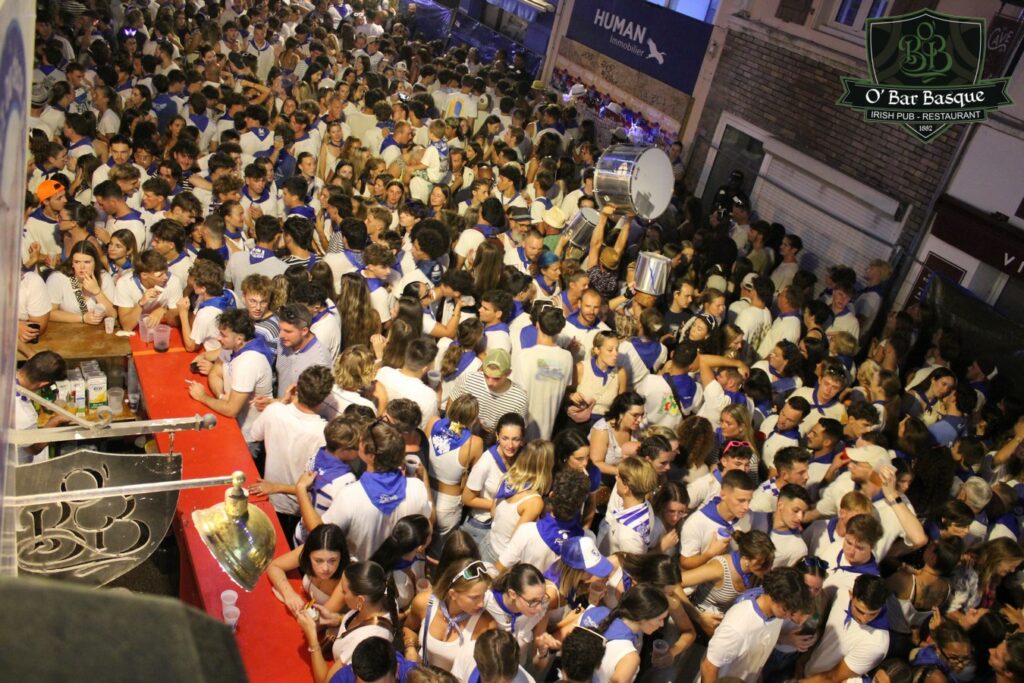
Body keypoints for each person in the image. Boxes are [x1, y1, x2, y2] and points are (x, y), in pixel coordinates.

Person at [309, 419, 432, 561]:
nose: (359, 441)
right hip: (401, 570)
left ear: (371, 456)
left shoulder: (350, 496)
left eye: (362, 440)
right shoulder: (418, 488)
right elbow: (429, 522)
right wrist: (425, 479)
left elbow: (322, 537)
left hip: (362, 571)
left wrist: (301, 492)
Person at [250, 365, 333, 541]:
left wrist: (282, 401)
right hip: (300, 505)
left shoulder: (275, 410)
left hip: (270, 495)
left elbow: (255, 434)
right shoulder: (323, 433)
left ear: (296, 387)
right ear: (324, 397)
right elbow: (319, 479)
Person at [701, 567, 812, 682]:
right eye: (786, 609)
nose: (789, 616)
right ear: (774, 596)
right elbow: (708, 667)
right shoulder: (737, 627)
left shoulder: (776, 614)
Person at [186, 308, 274, 450]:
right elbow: (215, 372)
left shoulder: (249, 362)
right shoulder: (231, 346)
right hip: (232, 423)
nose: (218, 338)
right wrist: (221, 397)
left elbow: (231, 410)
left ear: (239, 338)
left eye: (223, 335)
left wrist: (202, 397)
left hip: (248, 437)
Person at [802, 574, 891, 682]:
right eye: (860, 611)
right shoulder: (842, 594)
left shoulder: (877, 644)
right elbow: (825, 634)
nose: (864, 619)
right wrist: (803, 660)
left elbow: (834, 677)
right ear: (850, 595)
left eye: (873, 614)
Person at [573, 584, 670, 683]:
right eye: (660, 619)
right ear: (643, 617)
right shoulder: (629, 658)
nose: (662, 624)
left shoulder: (593, 611)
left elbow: (565, 636)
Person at [267, 523, 350, 615]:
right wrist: (288, 593)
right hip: (307, 609)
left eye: (332, 560)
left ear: (342, 557)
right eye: (318, 560)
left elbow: (321, 619)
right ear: (309, 554)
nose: (325, 568)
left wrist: (294, 607)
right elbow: (274, 566)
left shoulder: (347, 578)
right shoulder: (304, 551)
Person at [12, 351, 68, 464]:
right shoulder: (24, 415)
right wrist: (55, 422)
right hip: (13, 465)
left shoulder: (5, 372)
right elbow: (34, 448)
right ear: (43, 384)